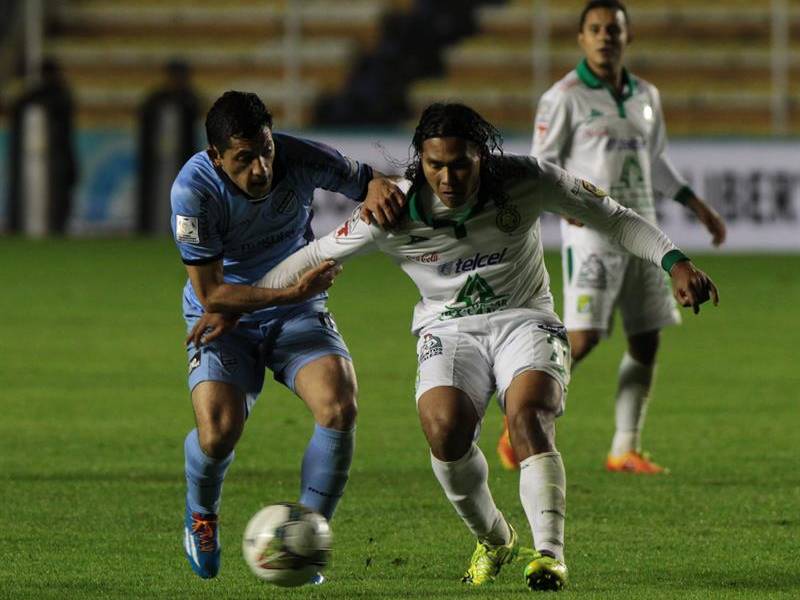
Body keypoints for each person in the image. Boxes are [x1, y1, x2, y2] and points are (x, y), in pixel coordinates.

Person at [191, 102, 719, 591]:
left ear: (482, 159)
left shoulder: (526, 178)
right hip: (447, 330)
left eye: (461, 164)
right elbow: (311, 258)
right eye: (435, 165)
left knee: (529, 415)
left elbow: (614, 217)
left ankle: (549, 553)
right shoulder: (391, 211)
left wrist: (676, 262)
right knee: (444, 431)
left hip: (525, 318)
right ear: (421, 161)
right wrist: (228, 307)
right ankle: (495, 538)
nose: (447, 177)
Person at [172, 90, 404, 580]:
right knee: (218, 432)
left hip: (296, 306)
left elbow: (371, 183)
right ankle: (201, 514)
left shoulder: (299, 157)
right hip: (223, 315)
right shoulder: (193, 192)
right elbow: (213, 293)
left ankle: (307, 536)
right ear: (216, 157)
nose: (260, 168)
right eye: (243, 159)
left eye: (266, 150)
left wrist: (381, 191)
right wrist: (288, 290)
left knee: (339, 405)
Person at [496, 0, 727, 474]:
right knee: (584, 337)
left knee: (646, 340)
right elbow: (543, 162)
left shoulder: (646, 95)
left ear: (628, 37)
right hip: (593, 232)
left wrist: (696, 205)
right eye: (596, 29)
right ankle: (516, 425)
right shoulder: (564, 96)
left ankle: (625, 447)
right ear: (581, 38)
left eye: (613, 29)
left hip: (642, 229)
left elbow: (656, 162)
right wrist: (566, 209)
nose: (605, 37)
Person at [7, 58, 78, 236]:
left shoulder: (47, 97)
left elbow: (17, 106)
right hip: (61, 156)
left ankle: (53, 228)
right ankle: (57, 229)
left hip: (58, 156)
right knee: (60, 201)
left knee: (56, 199)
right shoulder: (62, 95)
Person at [137, 59, 200, 234]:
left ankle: (184, 234)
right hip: (157, 161)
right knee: (156, 196)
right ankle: (151, 229)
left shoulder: (189, 100)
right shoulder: (156, 100)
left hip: (182, 159)